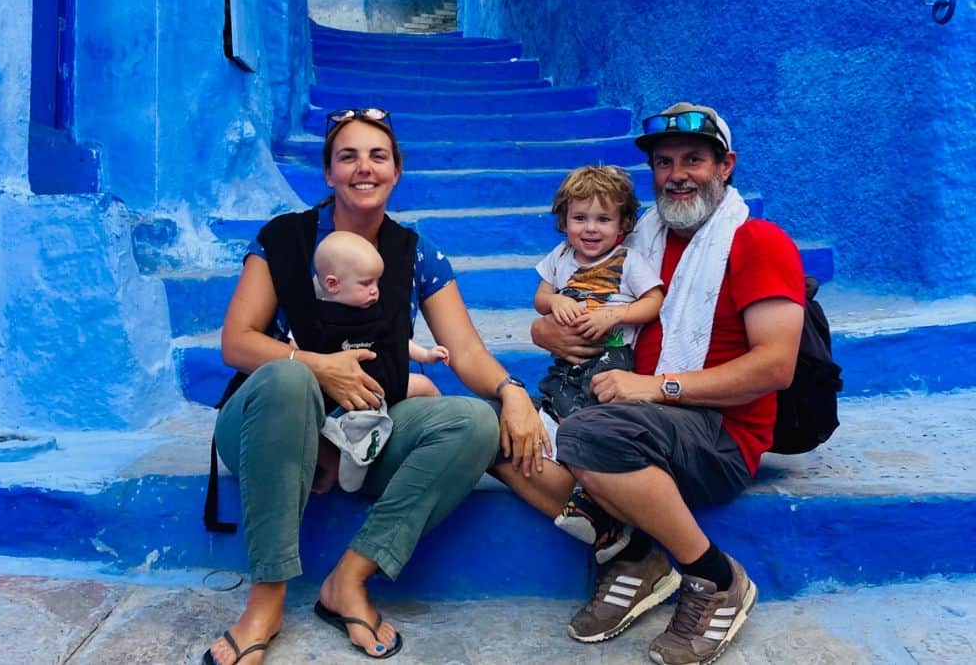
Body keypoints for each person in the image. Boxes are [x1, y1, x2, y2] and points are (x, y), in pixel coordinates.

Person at [203, 108, 544, 665]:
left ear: (396, 172)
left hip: (361, 434)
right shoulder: (283, 240)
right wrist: (316, 364)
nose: (364, 167)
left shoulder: (416, 254)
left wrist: (511, 392)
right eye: (348, 156)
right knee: (290, 379)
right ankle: (266, 598)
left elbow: (466, 352)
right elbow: (236, 342)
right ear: (329, 173)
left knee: (473, 421)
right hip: (269, 426)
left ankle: (349, 580)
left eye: (378, 156)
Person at [492, 102, 805, 665]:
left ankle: (715, 577)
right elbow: (575, 299)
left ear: (726, 165)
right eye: (664, 163)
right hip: (626, 411)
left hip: (719, 435)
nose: (677, 174)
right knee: (498, 434)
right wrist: (546, 332)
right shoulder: (640, 241)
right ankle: (634, 553)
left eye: (694, 159)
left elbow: (775, 367)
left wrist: (657, 387)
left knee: (589, 434)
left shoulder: (758, 243)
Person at [531, 165, 663, 564]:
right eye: (580, 218)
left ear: (622, 224)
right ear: (564, 221)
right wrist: (556, 302)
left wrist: (614, 316)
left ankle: (592, 500)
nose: (591, 229)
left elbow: (653, 300)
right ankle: (583, 493)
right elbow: (541, 298)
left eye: (603, 219)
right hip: (568, 359)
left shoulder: (628, 260)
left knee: (590, 415)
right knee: (557, 403)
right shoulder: (560, 257)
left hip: (611, 354)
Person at [312, 229, 450, 400]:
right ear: (332, 284)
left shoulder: (376, 312)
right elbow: (298, 351)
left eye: (377, 282)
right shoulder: (314, 316)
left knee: (424, 384)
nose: (374, 291)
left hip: (380, 383)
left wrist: (426, 355)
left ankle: (441, 418)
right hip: (335, 389)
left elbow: (398, 342)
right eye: (366, 283)